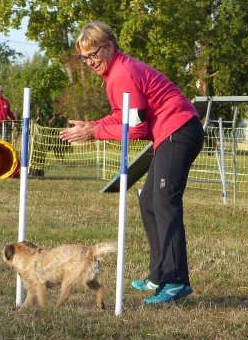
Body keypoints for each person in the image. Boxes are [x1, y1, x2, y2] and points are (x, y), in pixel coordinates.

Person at [59, 21, 204, 304]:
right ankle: (159, 273)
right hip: (170, 133)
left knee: (164, 203)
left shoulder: (122, 74)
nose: (89, 62)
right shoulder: (117, 72)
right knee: (148, 200)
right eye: (84, 57)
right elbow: (123, 118)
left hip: (179, 131)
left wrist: (93, 133)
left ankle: (176, 281)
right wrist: (93, 125)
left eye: (93, 55)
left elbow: (135, 130)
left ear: (109, 47)